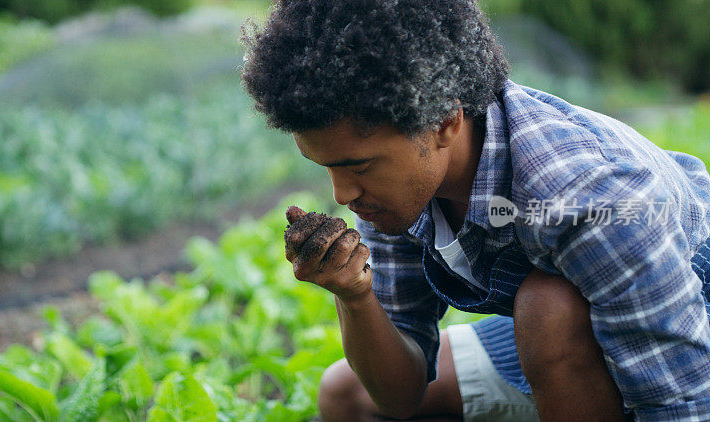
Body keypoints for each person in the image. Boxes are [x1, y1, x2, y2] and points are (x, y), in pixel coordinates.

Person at [240, 0, 710, 420]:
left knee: (548, 307)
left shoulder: (584, 196)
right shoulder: (397, 189)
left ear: (446, 121)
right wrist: (355, 296)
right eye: (327, 168)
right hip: (569, 329)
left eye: (357, 166)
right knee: (343, 393)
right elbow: (399, 398)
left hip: (683, 323)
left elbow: (681, 398)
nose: (342, 194)